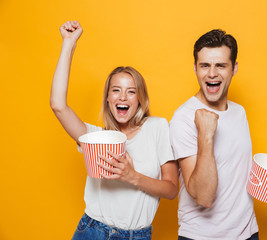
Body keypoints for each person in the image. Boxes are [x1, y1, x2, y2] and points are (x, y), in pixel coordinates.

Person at [50, 20, 178, 240]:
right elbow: (58, 106)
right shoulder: (95, 138)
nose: (122, 97)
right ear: (108, 99)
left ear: (140, 100)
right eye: (116, 90)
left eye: (131, 92)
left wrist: (132, 176)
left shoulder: (157, 127)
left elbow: (171, 189)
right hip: (91, 231)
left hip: (135, 235)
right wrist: (69, 44)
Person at [169, 29, 267, 240]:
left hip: (248, 232)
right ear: (195, 68)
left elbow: (235, 167)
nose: (212, 74)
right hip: (202, 237)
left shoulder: (239, 112)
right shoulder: (183, 118)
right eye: (205, 65)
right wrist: (206, 136)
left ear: (234, 68)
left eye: (221, 65)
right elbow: (203, 196)